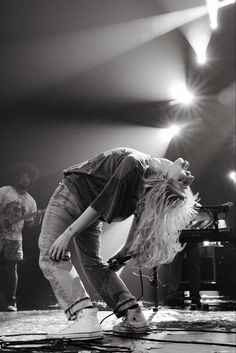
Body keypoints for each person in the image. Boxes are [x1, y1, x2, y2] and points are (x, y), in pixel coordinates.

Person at [38, 147, 198, 340]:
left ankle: (84, 316)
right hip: (85, 202)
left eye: (183, 181)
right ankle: (134, 315)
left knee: (50, 254)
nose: (188, 177)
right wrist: (68, 234)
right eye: (183, 181)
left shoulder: (142, 174)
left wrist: (124, 252)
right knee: (91, 263)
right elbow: (102, 205)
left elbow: (111, 208)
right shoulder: (138, 165)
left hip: (75, 197)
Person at [0, 163, 41, 311]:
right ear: (16, 178)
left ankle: (12, 301)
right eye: (22, 177)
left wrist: (35, 223)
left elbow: (28, 225)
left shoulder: (31, 201)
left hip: (15, 238)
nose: (25, 180)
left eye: (28, 178)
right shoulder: (5, 191)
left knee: (12, 267)